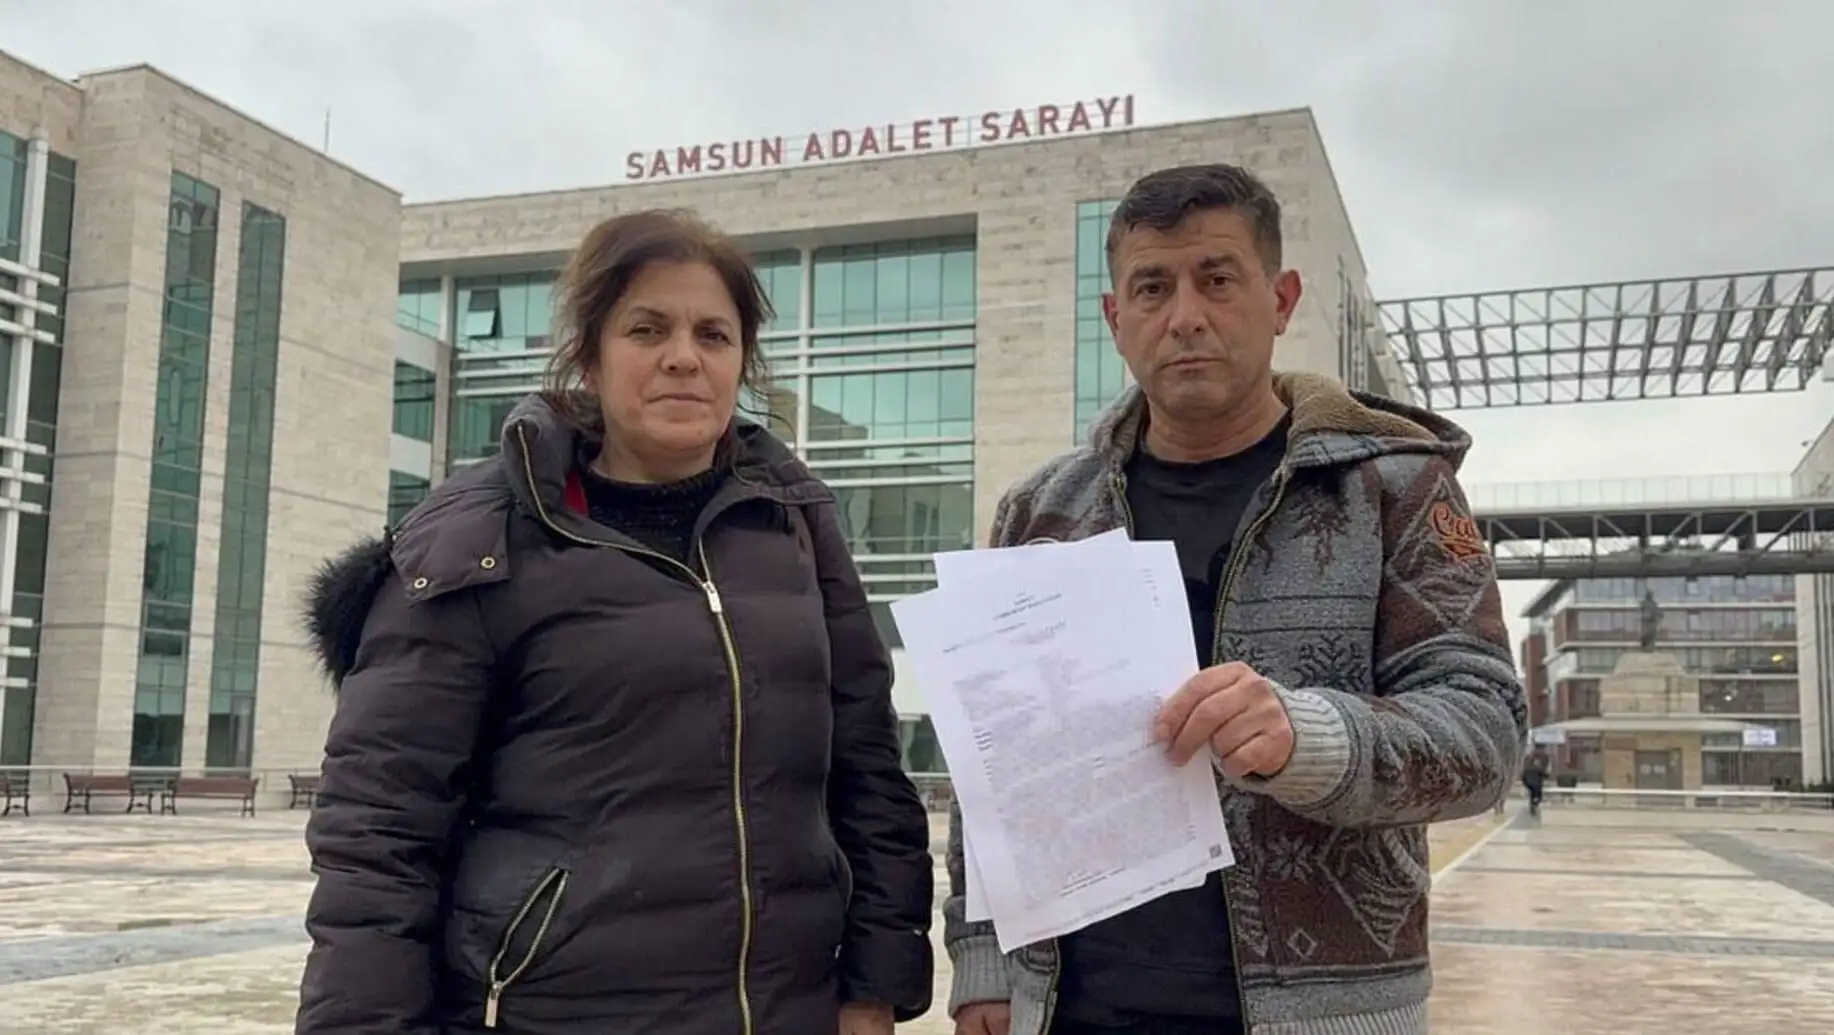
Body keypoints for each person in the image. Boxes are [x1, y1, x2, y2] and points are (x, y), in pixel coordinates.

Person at [295, 209, 935, 1035]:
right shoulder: (476, 539)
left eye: (714, 334)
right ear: (589, 356)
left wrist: (874, 988)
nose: (684, 356)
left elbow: (868, 771)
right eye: (647, 328)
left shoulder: (795, 525)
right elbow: (381, 828)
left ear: (741, 362)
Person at [945, 165, 1527, 1035]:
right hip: (1069, 1008)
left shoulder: (1397, 489)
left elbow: (1488, 731)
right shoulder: (1042, 510)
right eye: (1152, 287)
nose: (1185, 315)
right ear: (1115, 317)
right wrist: (985, 959)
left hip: (1323, 1013)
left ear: (1281, 299)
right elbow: (993, 758)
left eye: (1217, 279)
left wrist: (1310, 737)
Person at [1522, 752, 1549, 817]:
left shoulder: (1527, 767)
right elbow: (1544, 775)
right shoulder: (1538, 768)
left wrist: (1525, 783)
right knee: (1539, 797)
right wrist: (1547, 774)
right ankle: (1535, 804)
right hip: (1536, 785)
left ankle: (1532, 807)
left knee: (1532, 795)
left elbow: (1523, 776)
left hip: (1529, 784)